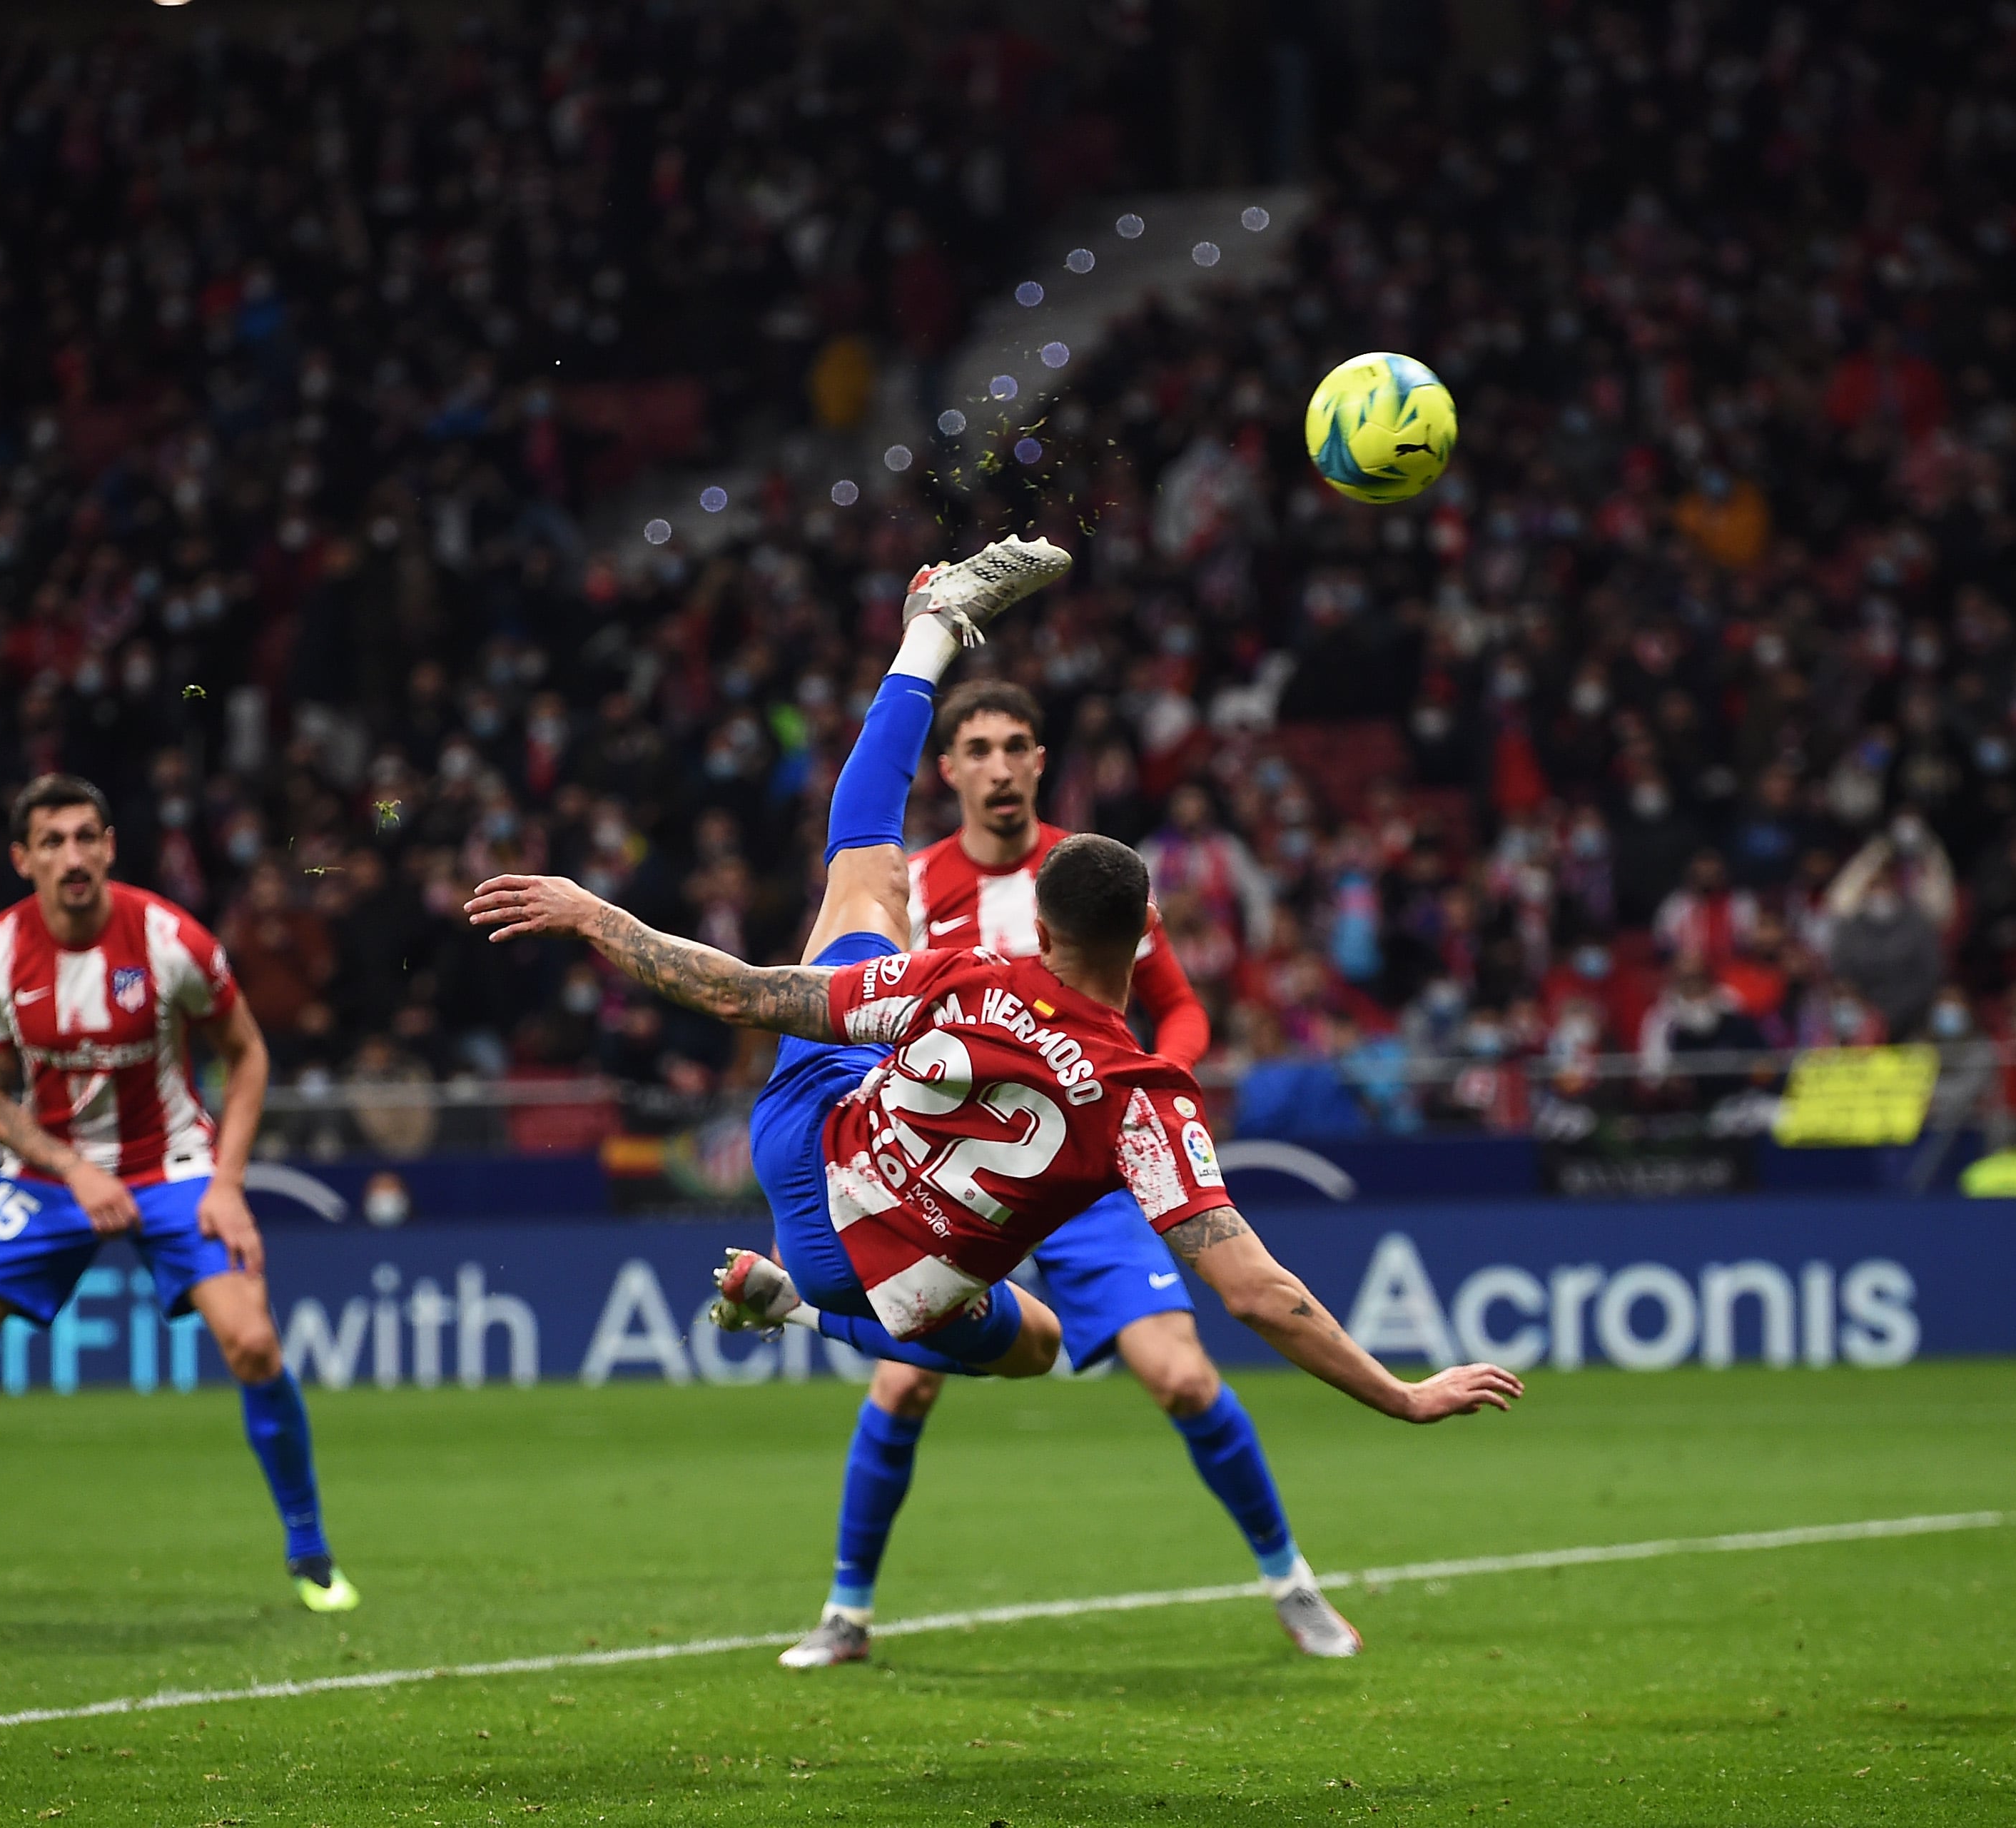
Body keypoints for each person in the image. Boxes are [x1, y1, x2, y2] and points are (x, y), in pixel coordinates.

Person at [462, 538, 1518, 1550]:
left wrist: (596, 915)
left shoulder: (965, 973)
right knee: (1041, 1348)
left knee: (862, 875)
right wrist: (1401, 1393)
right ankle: (796, 1306)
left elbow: (741, 995)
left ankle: (929, 632)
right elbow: (1257, 1293)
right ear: (1143, 932)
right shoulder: (1146, 1107)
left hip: (806, 1147)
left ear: (1044, 931)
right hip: (889, 1274)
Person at [767, 675, 1367, 1667]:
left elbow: (1176, 1004)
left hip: (1081, 1172)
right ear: (950, 767)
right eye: (981, 749)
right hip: (953, 1178)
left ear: (1040, 761)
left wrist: (1159, 1082)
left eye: (1017, 746)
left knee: (1179, 1376)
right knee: (901, 1388)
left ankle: (1291, 1581)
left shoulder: (1096, 880)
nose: (1001, 766)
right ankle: (846, 1611)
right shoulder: (915, 885)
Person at [0, 774, 357, 1622]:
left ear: (111, 845)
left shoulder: (170, 938)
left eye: (86, 836)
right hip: (50, 1175)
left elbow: (248, 1054)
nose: (72, 856)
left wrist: (226, 1183)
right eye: (52, 841)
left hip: (172, 1165)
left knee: (255, 1340)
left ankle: (312, 1553)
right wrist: (73, 1169)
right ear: (23, 858)